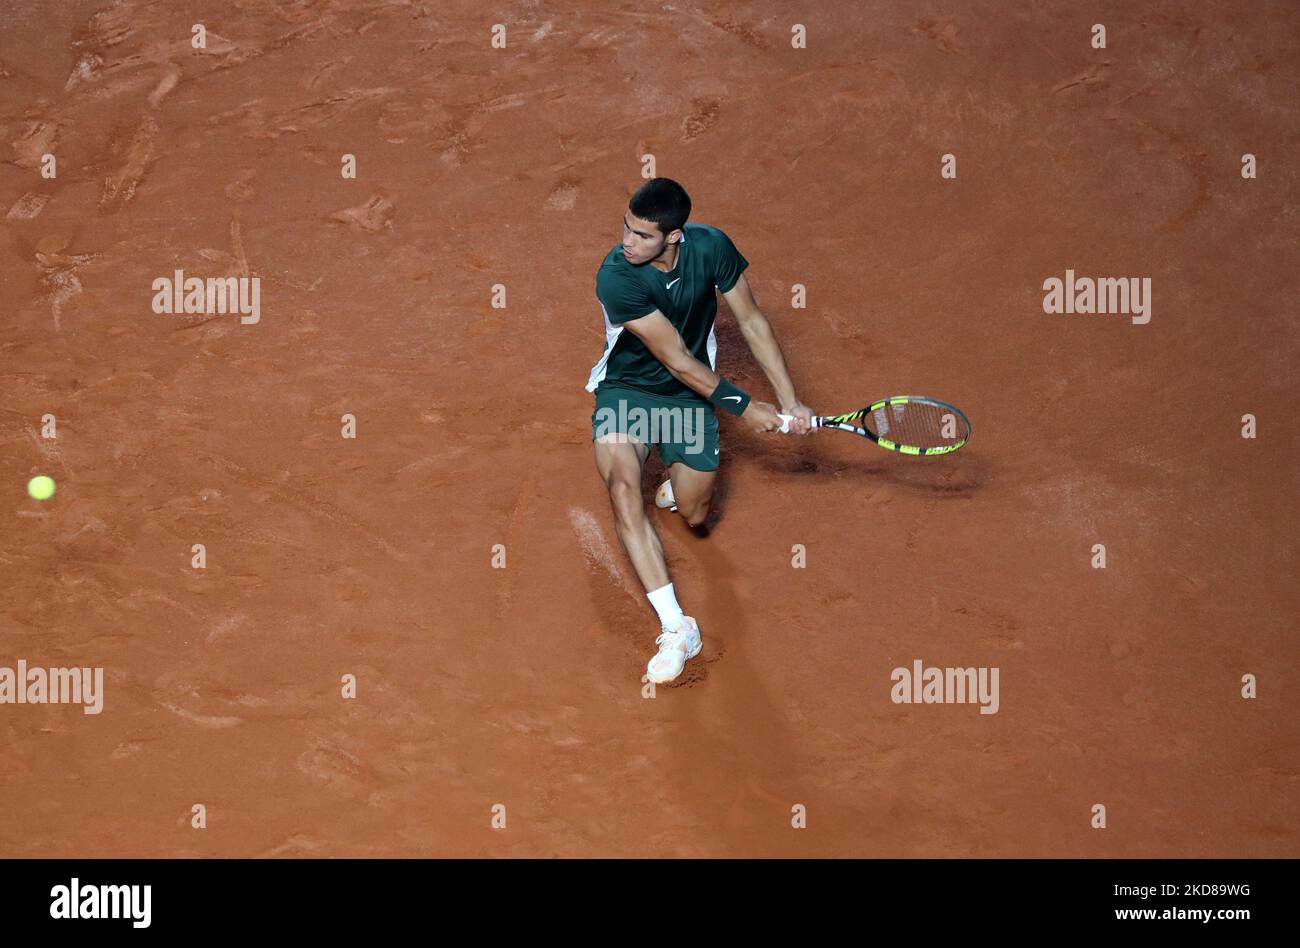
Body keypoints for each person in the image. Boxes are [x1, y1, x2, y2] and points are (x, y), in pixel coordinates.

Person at [587, 177, 813, 683]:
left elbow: (752, 322)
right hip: (629, 390)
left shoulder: (712, 247)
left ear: (674, 236)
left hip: (690, 401)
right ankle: (677, 628)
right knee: (623, 489)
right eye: (627, 227)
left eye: (643, 235)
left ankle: (673, 489)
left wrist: (789, 399)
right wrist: (745, 406)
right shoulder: (617, 275)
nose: (628, 241)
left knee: (693, 514)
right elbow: (675, 359)